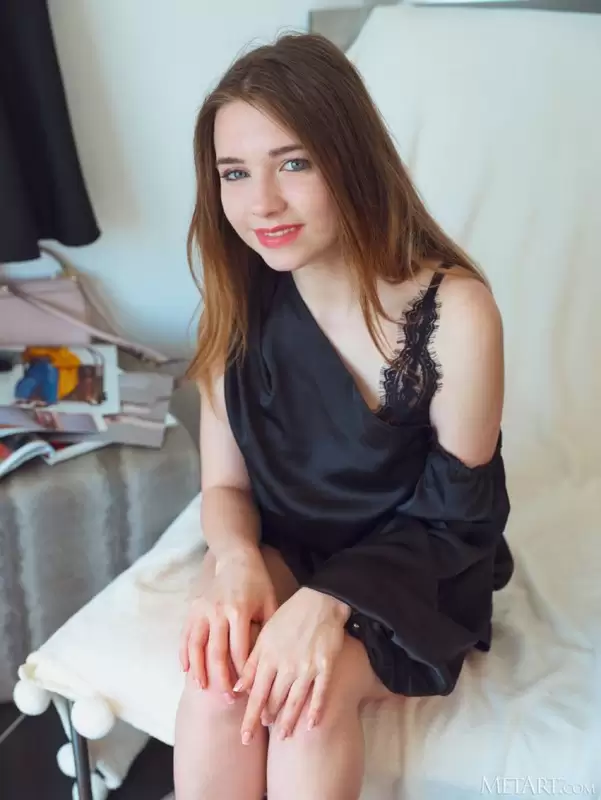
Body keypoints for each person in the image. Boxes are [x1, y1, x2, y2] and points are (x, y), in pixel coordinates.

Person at [174, 32, 514, 800]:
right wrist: (235, 558)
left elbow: (457, 521)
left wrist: (330, 604)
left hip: (416, 569)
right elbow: (225, 489)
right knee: (218, 683)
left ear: (350, 160)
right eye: (235, 172)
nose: (261, 202)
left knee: (306, 701)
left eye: (293, 163)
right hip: (291, 548)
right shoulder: (237, 301)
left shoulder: (456, 313)